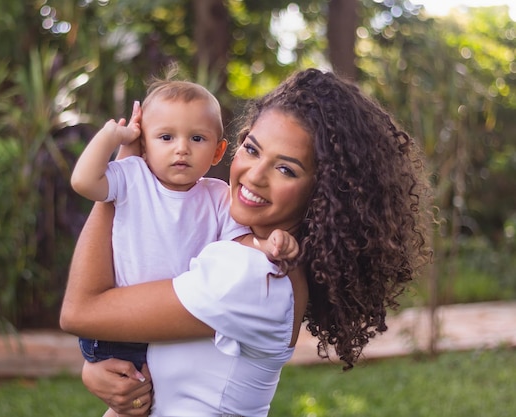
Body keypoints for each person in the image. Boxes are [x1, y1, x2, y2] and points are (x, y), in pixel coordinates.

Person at [60, 68, 432, 416]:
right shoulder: (247, 253)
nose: (254, 176)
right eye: (252, 150)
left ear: (324, 191)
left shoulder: (251, 275)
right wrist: (103, 371)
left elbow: (79, 312)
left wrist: (127, 179)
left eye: (286, 168)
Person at [69, 75, 299, 411]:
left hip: (153, 318)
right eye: (165, 137)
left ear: (219, 150)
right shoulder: (133, 177)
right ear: (145, 143)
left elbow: (243, 241)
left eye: (197, 138)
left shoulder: (219, 197)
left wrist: (270, 244)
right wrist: (114, 138)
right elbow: (84, 181)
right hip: (118, 327)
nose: (182, 148)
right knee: (130, 403)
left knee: (136, 402)